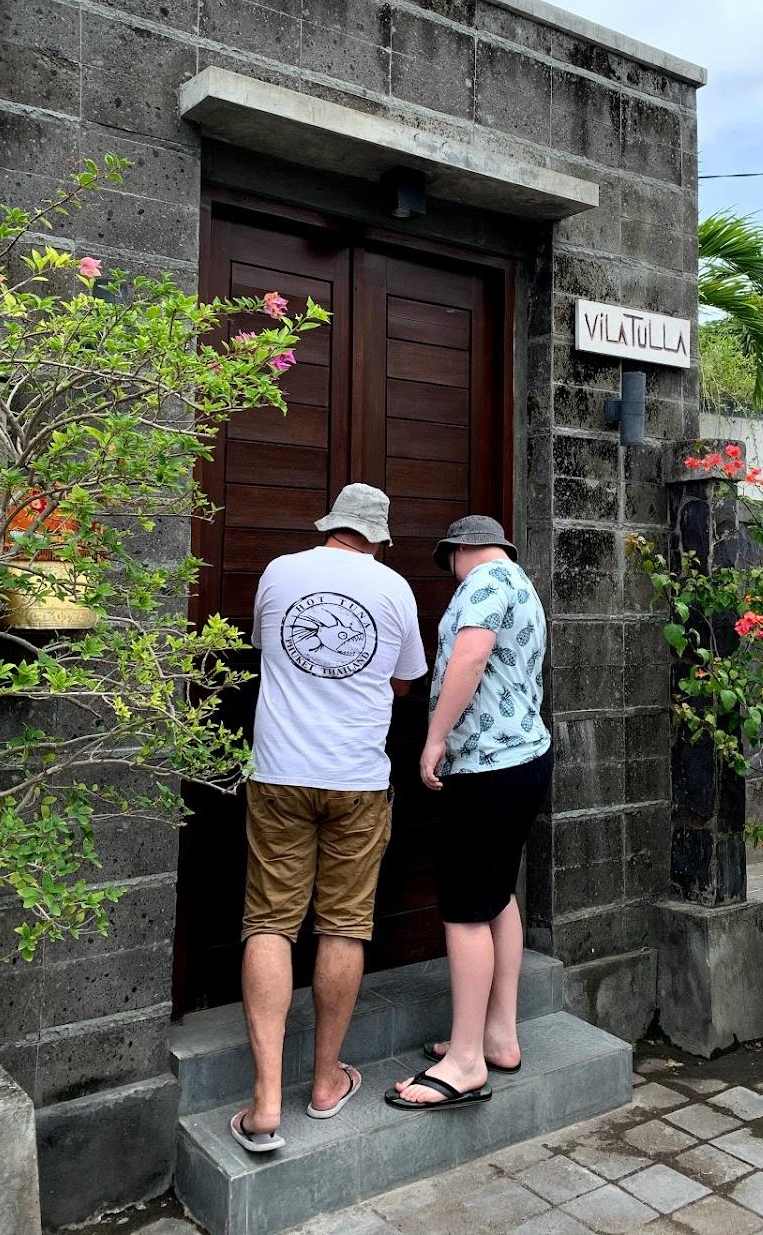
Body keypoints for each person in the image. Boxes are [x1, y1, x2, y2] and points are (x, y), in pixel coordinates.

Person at [230, 483, 427, 1152]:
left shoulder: (281, 572)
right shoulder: (395, 589)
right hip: (357, 780)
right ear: (377, 537)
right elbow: (405, 682)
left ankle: (263, 1106)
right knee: (343, 924)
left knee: (269, 922)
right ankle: (322, 1084)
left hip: (280, 772)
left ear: (331, 526)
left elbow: (266, 647)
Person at [386, 515, 552, 1112]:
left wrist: (434, 737)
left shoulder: (481, 583)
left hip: (486, 768)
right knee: (497, 894)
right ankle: (498, 1035)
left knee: (461, 907)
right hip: (524, 760)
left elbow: (470, 657)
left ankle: (464, 1061)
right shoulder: (522, 584)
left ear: (460, 551)